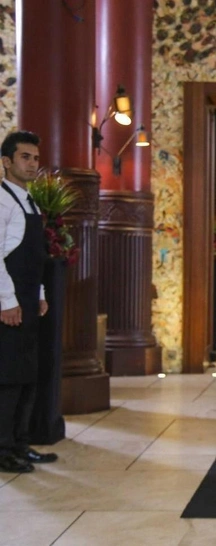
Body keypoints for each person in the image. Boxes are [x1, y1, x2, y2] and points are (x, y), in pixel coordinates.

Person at [0, 131, 55, 474]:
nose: (33, 163)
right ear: (6, 162)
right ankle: (3, 449)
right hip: (9, 302)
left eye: (35, 158)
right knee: (7, 378)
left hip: (28, 298)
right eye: (25, 157)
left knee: (26, 375)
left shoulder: (29, 200)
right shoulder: (2, 201)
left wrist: (40, 295)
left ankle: (20, 443)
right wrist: (7, 301)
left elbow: (35, 257)